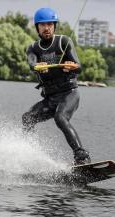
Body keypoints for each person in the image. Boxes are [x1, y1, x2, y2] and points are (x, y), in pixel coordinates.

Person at [22, 7, 91, 165]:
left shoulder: (64, 42)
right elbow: (32, 64)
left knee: (60, 118)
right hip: (50, 98)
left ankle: (82, 156)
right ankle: (26, 155)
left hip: (69, 94)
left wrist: (71, 66)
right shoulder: (33, 48)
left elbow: (79, 66)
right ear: (37, 28)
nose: (46, 28)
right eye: (42, 25)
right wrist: (38, 65)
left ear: (54, 26)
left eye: (50, 25)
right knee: (27, 118)